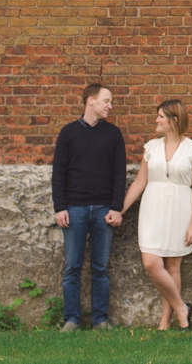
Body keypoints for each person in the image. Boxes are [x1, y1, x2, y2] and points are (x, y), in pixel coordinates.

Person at [119, 98, 192, 330]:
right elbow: (139, 182)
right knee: (151, 263)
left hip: (180, 209)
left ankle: (165, 323)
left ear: (173, 120)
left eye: (160, 117)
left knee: (173, 267)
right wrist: (120, 209)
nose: (156, 120)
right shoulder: (151, 147)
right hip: (153, 209)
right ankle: (181, 308)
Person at [51, 83, 127, 331]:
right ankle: (71, 319)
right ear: (90, 101)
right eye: (106, 100)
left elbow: (119, 174)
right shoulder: (68, 133)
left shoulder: (113, 134)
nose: (110, 105)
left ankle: (100, 319)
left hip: (104, 209)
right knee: (72, 266)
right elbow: (58, 173)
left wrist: (116, 207)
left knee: (100, 268)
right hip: (74, 209)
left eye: (110, 101)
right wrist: (60, 206)